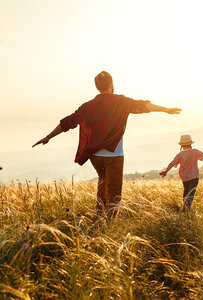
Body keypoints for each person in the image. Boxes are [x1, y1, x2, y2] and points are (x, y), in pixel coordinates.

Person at [33, 71, 181, 218]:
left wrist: (48, 137)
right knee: (114, 191)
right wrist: (165, 109)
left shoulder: (87, 106)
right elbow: (143, 105)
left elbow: (67, 122)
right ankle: (109, 221)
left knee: (103, 181)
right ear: (111, 85)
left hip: (95, 156)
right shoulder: (121, 101)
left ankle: (99, 213)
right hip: (114, 155)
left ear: (97, 86)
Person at [159, 134, 203, 212]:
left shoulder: (180, 154)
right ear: (190, 144)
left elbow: (172, 163)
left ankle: (184, 209)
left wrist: (166, 171)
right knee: (191, 194)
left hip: (185, 177)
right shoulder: (195, 151)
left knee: (186, 192)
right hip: (194, 177)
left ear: (181, 145)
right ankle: (186, 209)